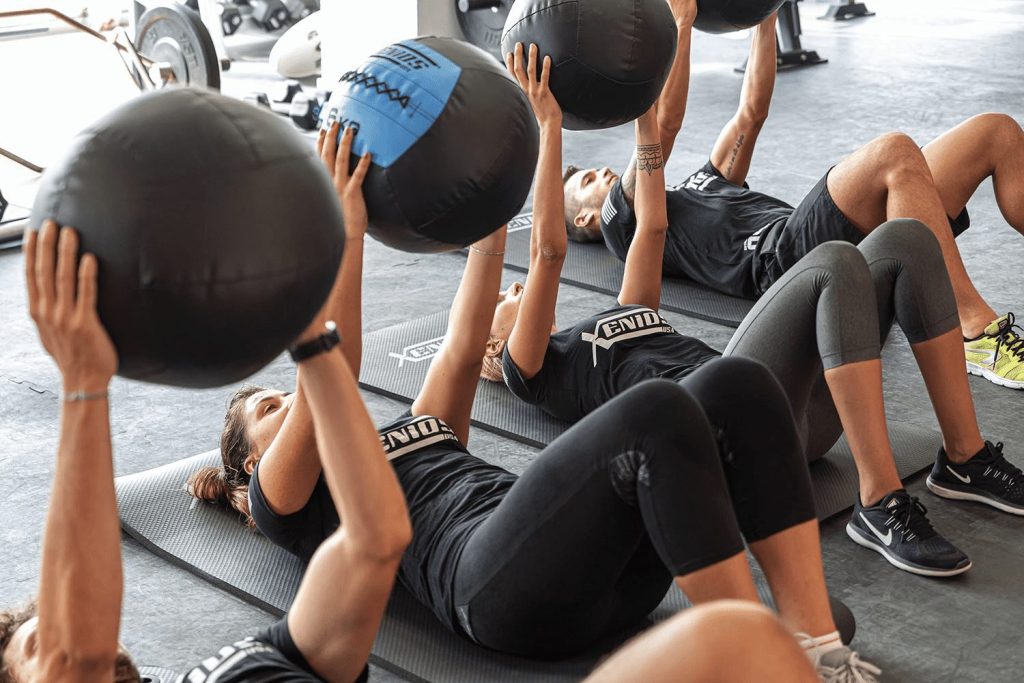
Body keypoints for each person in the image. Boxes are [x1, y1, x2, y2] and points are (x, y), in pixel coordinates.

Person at [191, 107, 880, 682]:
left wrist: (496, 191)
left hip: (596, 572)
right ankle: (754, 668)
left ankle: (814, 643)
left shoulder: (416, 427)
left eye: (277, 393)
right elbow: (331, 370)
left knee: (736, 382)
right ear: (250, 466)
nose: (286, 400)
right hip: (493, 588)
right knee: (655, 413)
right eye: (268, 409)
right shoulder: (283, 504)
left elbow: (465, 340)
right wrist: (344, 231)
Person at [488, 30, 1024, 582]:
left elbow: (654, 225)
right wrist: (545, 127)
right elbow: (549, 253)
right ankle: (879, 502)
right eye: (501, 299)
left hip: (801, 421)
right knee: (835, 260)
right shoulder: (533, 370)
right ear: (490, 349)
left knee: (908, 239)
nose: (511, 291)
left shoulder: (616, 312)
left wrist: (643, 104)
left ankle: (965, 458)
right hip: (731, 432)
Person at [1, 171, 411, 681]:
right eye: (40, 645)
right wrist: (82, 378)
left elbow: (378, 540)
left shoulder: (254, 656)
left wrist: (304, 331)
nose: (68, 630)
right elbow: (77, 655)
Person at [563, 6, 1024, 390]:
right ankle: (974, 333)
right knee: (894, 152)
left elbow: (751, 113)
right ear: (585, 217)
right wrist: (680, 26)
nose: (601, 171)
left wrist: (765, 13)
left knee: (994, 131)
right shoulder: (620, 221)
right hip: (785, 261)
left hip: (829, 236)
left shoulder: (697, 184)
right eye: (587, 181)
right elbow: (663, 126)